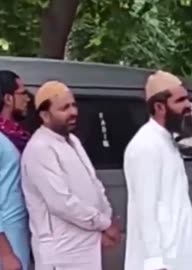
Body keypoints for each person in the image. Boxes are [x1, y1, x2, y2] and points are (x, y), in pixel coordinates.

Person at [20, 81, 120, 270]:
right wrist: (104, 223)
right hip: (62, 252)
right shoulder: (40, 148)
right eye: (64, 108)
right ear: (44, 115)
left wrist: (106, 219)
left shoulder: (72, 140)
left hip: (85, 247)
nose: (73, 112)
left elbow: (94, 183)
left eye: (74, 105)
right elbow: (61, 202)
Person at [123, 71, 192, 270]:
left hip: (179, 255)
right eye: (180, 101)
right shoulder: (145, 145)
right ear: (159, 107)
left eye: (187, 99)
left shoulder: (166, 140)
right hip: (161, 262)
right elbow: (146, 209)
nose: (188, 106)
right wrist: (155, 262)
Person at [0, 70, 31, 152]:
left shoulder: (20, 135)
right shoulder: (5, 140)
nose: (27, 99)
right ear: (8, 99)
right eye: (23, 93)